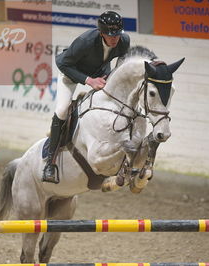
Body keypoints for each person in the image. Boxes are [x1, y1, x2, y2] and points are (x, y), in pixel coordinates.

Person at [43, 11, 131, 183]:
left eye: (117, 35)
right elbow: (62, 63)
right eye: (110, 35)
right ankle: (50, 163)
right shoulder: (86, 41)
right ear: (101, 33)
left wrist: (113, 78)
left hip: (100, 74)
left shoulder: (124, 40)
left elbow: (121, 63)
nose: (114, 39)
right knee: (62, 110)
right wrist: (88, 80)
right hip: (72, 74)